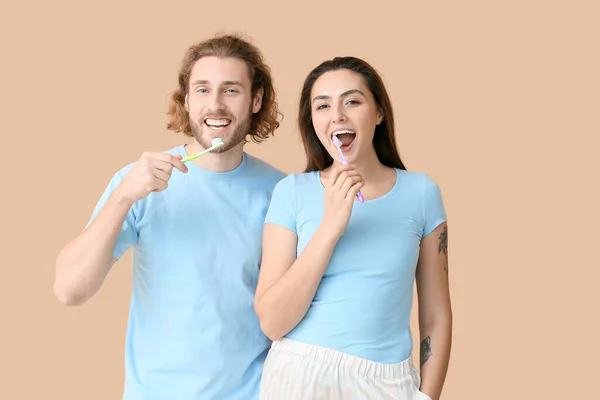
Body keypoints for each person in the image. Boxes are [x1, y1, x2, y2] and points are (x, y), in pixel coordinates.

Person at [53, 33, 286, 400]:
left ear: (256, 100)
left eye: (231, 90)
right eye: (203, 90)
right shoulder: (138, 182)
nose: (216, 105)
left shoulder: (282, 193)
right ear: (187, 101)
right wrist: (123, 197)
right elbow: (69, 289)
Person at [254, 56, 452, 400]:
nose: (337, 115)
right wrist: (330, 227)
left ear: (378, 113)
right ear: (312, 121)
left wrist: (427, 396)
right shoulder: (292, 192)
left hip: (388, 382)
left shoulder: (421, 193)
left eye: (352, 101)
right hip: (300, 374)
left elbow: (436, 315)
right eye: (322, 105)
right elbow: (272, 322)